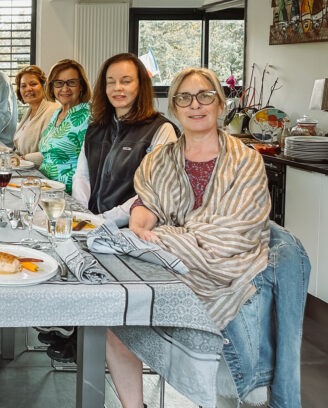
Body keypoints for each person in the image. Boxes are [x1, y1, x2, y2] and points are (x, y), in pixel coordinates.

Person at [106, 67, 283, 408]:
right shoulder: (160, 160)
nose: (195, 105)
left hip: (230, 270)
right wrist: (141, 225)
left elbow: (232, 236)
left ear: (220, 105)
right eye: (184, 98)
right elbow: (148, 203)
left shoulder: (246, 161)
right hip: (175, 266)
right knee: (120, 313)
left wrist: (162, 237)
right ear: (174, 108)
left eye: (205, 96)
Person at [71, 52, 176, 222]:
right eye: (110, 82)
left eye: (126, 81)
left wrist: (105, 220)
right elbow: (82, 176)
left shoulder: (161, 129)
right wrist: (83, 215)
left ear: (140, 85)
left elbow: (153, 191)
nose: (117, 87)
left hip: (132, 230)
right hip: (89, 224)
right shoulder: (94, 129)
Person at [36, 60, 91, 191]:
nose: (65, 88)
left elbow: (89, 166)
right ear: (52, 87)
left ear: (81, 86)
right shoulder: (57, 113)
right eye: (59, 83)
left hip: (66, 192)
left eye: (71, 82)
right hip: (45, 186)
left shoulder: (87, 116)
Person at [13, 65, 59, 163]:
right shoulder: (29, 111)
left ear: (43, 86)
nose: (28, 89)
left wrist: (23, 159)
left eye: (33, 84)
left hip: (42, 172)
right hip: (24, 167)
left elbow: (52, 151)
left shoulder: (53, 110)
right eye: (23, 86)